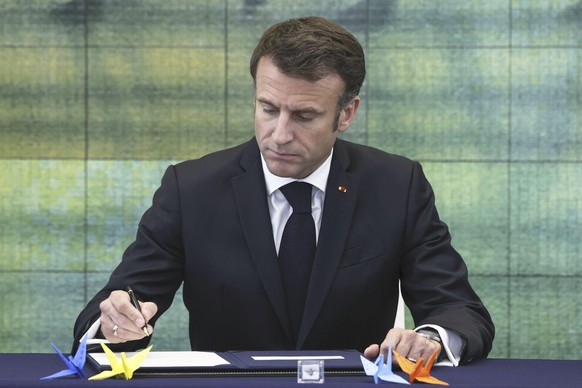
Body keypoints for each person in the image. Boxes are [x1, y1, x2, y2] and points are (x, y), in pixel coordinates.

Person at [73, 16, 494, 366]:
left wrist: (430, 338)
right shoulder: (191, 189)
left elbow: (459, 310)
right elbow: (119, 302)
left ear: (346, 113)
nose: (279, 134)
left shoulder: (397, 185)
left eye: (304, 116)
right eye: (268, 108)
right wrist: (115, 325)